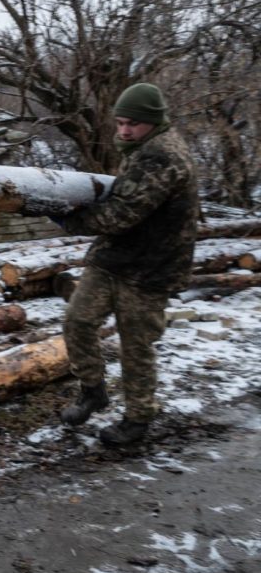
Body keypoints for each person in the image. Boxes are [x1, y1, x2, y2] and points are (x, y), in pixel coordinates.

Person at [56, 83, 198, 446]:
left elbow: (120, 215)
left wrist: (67, 219)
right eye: (119, 123)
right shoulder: (141, 148)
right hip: (115, 258)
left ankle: (137, 418)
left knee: (135, 345)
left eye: (132, 123)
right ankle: (93, 390)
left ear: (152, 121)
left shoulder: (162, 156)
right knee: (78, 320)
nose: (123, 131)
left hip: (151, 268)